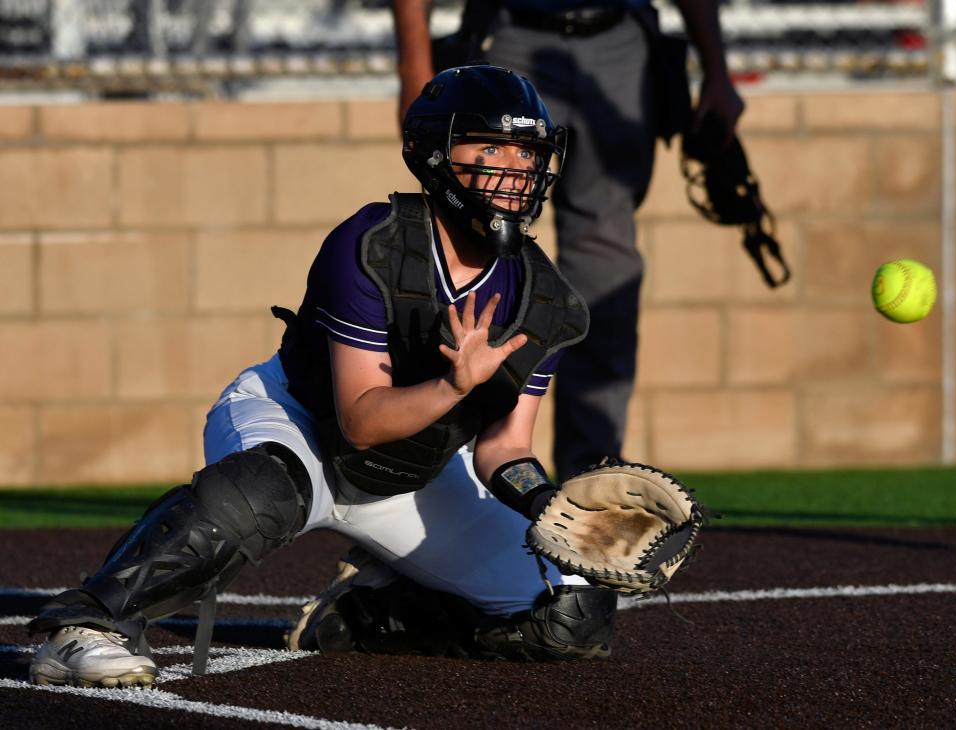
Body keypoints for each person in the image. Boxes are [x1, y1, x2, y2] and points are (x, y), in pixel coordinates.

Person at [26, 64, 620, 689]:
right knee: (258, 493)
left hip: (412, 472)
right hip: (301, 426)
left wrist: (551, 508)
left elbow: (505, 446)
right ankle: (90, 626)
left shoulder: (547, 301)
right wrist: (452, 386)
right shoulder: (376, 242)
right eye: (490, 146)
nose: (514, 168)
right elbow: (361, 422)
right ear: (434, 154)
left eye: (526, 151)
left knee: (573, 613)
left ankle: (364, 616)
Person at [393, 0, 745, 481]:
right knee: (478, 238)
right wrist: (414, 66)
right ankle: (443, 473)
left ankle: (589, 481)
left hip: (619, 36)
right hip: (510, 34)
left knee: (606, 265)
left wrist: (716, 70)